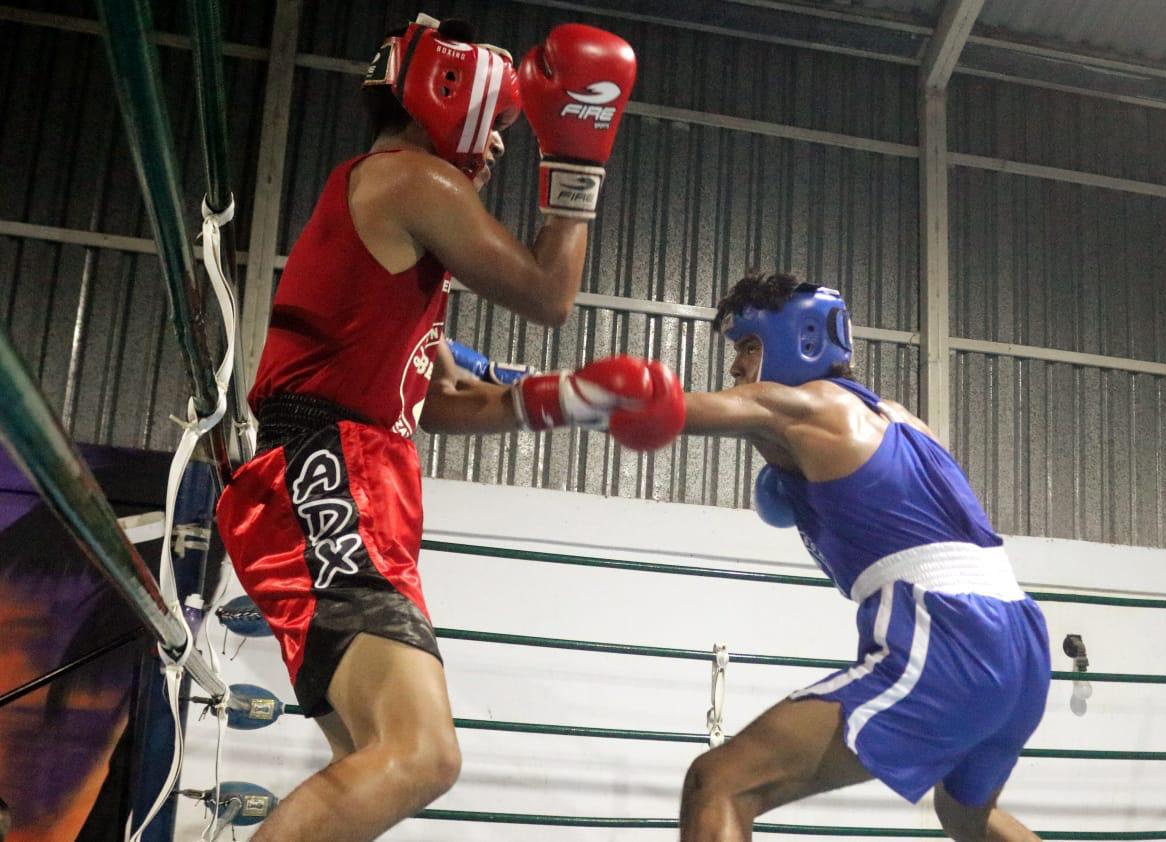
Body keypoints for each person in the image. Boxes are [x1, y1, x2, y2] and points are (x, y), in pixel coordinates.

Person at [213, 13, 659, 842]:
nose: (494, 149)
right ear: (449, 100)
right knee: (422, 756)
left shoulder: (399, 215)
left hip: (348, 476)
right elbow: (547, 295)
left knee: (379, 759)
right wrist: (576, 159)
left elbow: (434, 404)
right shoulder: (412, 179)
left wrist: (569, 401)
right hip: (327, 477)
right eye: (495, 127)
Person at [673, 272, 1051, 841]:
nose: (736, 368)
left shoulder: (805, 404)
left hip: (950, 634)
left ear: (798, 341)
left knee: (719, 782)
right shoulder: (903, 420)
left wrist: (526, 392)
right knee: (967, 815)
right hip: (1022, 642)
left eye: (748, 348)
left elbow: (673, 412)